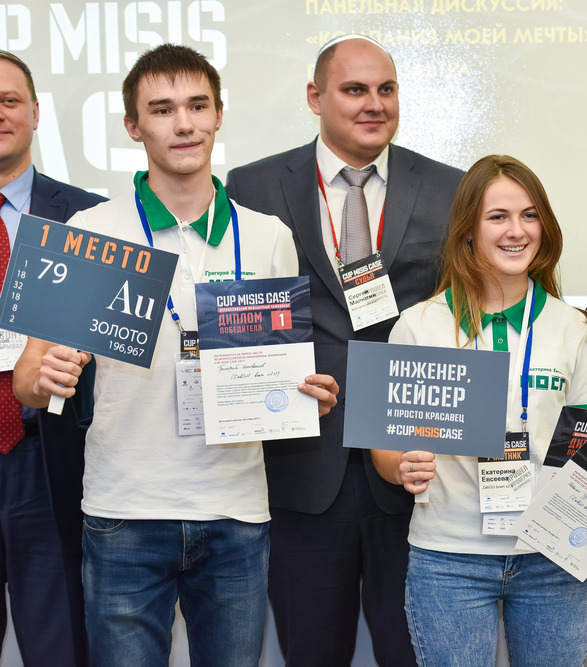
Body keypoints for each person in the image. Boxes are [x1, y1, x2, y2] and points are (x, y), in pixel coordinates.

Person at [12, 44, 338, 666]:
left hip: (237, 514)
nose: (183, 124)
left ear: (219, 115)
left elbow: (286, 367)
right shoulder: (89, 231)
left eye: (197, 106)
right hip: (123, 512)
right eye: (162, 110)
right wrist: (43, 376)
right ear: (134, 126)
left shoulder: (268, 236)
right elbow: (28, 378)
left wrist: (307, 394)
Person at [225, 34, 462, 666]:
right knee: (311, 652)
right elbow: (239, 315)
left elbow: (462, 314)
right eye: (355, 90)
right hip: (302, 466)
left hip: (416, 469)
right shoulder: (252, 185)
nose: (373, 104)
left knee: (414, 653)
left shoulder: (450, 188)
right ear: (315, 97)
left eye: (386, 90)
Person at [370, 154, 587, 666]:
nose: (517, 231)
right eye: (498, 217)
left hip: (554, 556)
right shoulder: (418, 325)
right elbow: (384, 450)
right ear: (468, 230)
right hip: (449, 557)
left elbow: (584, 451)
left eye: (529, 215)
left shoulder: (575, 328)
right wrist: (400, 466)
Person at [0, 50, 104, 667]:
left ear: (36, 113)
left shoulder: (90, 217)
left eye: (9, 101)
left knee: (61, 645)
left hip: (53, 457)